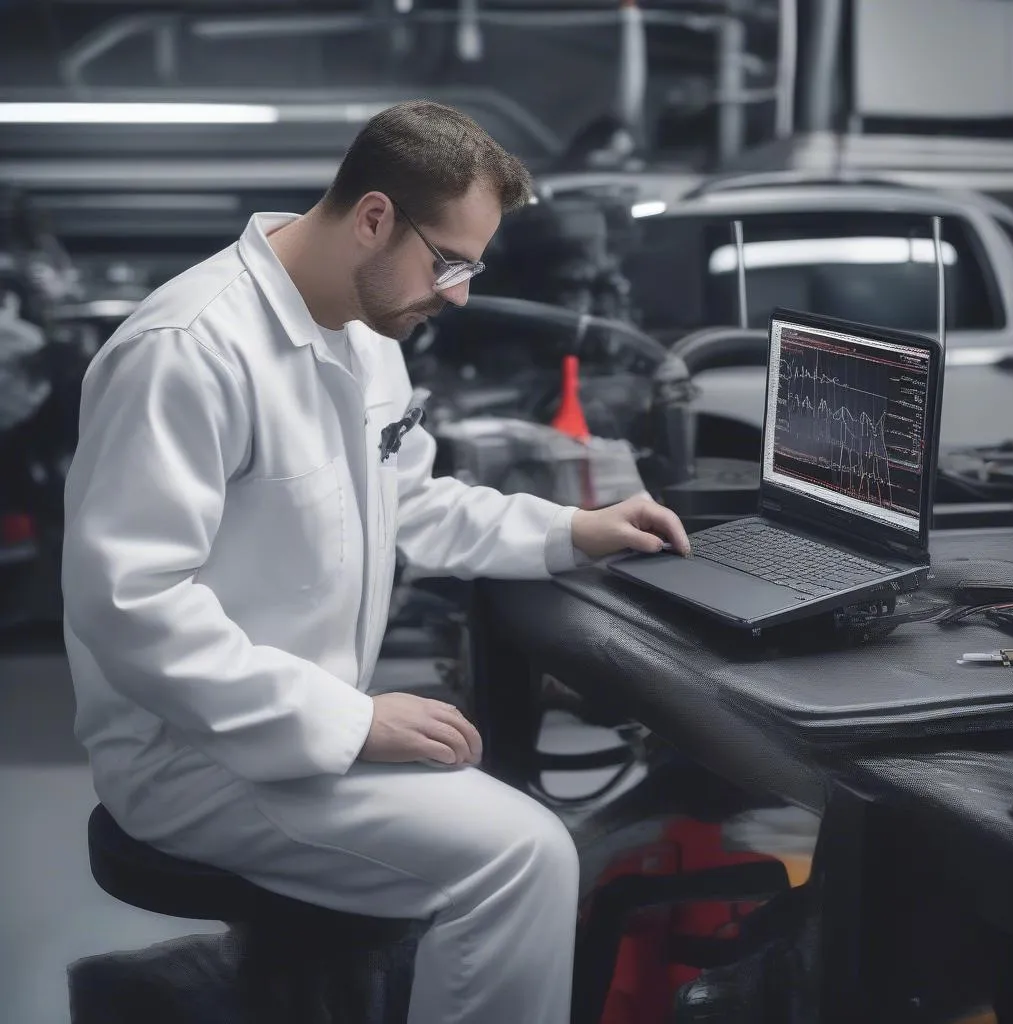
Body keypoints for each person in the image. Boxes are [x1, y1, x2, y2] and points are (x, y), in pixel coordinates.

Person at [61, 100, 691, 1024]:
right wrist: (350, 721)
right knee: (524, 857)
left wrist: (572, 531)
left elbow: (414, 501)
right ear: (373, 217)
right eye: (451, 262)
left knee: (511, 835)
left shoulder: (365, 332)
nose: (462, 293)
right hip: (190, 754)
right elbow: (132, 607)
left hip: (293, 733)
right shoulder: (187, 351)